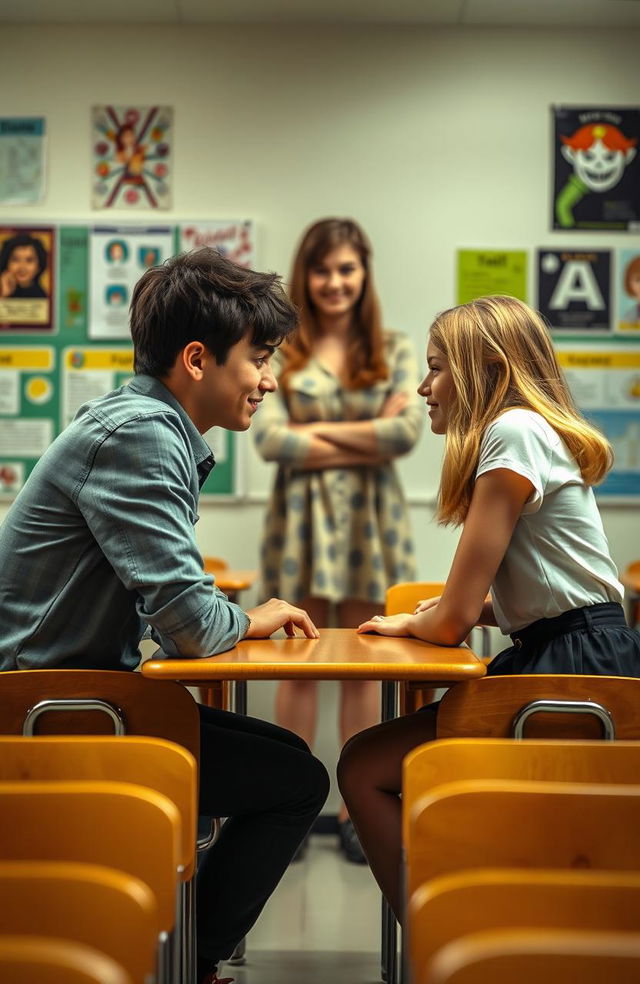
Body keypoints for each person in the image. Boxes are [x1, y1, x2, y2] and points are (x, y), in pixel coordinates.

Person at [0, 247, 330, 984]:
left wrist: (230, 615)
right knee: (297, 783)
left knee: (292, 766)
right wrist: (251, 617)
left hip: (79, 696)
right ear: (196, 359)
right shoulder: (142, 435)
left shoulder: (146, 425)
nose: (270, 380)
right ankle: (197, 966)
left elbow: (177, 606)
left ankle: (192, 959)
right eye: (260, 359)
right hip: (50, 711)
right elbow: (189, 623)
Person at [337, 294, 640, 919]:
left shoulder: (513, 431)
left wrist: (432, 617)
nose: (424, 386)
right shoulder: (530, 430)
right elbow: (544, 595)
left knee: (363, 767)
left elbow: (450, 624)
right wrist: (455, 611)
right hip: (583, 646)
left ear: (488, 373)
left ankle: (444, 940)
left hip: (576, 664)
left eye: (437, 367)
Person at [252, 218, 423, 863]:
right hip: (298, 522)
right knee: (295, 663)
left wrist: (315, 436)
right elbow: (270, 440)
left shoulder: (396, 346)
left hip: (369, 526)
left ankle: (357, 809)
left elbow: (405, 434)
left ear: (364, 273)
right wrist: (363, 429)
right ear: (306, 275)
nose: (334, 282)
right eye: (322, 269)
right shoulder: (280, 347)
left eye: (347, 268)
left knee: (362, 666)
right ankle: (283, 804)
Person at [0, 232, 48, 298]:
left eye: (29, 260)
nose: (22, 267)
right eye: (15, 260)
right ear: (6, 263)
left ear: (38, 266)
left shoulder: (42, 296)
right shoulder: (3, 290)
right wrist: (4, 294)